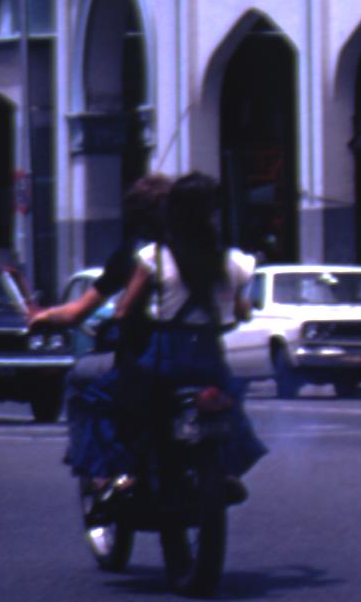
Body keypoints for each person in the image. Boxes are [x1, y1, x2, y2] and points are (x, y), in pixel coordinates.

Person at [100, 173, 266, 488]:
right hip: (209, 357)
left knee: (112, 399)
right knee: (230, 404)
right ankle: (228, 470)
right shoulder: (234, 261)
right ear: (213, 213)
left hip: (165, 358)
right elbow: (242, 312)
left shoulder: (153, 257)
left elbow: (123, 310)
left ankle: (126, 471)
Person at [29, 170, 171, 490]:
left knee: (83, 383)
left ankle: (100, 470)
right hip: (194, 353)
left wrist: (44, 316)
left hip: (143, 356)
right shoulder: (195, 250)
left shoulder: (136, 256)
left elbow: (79, 311)